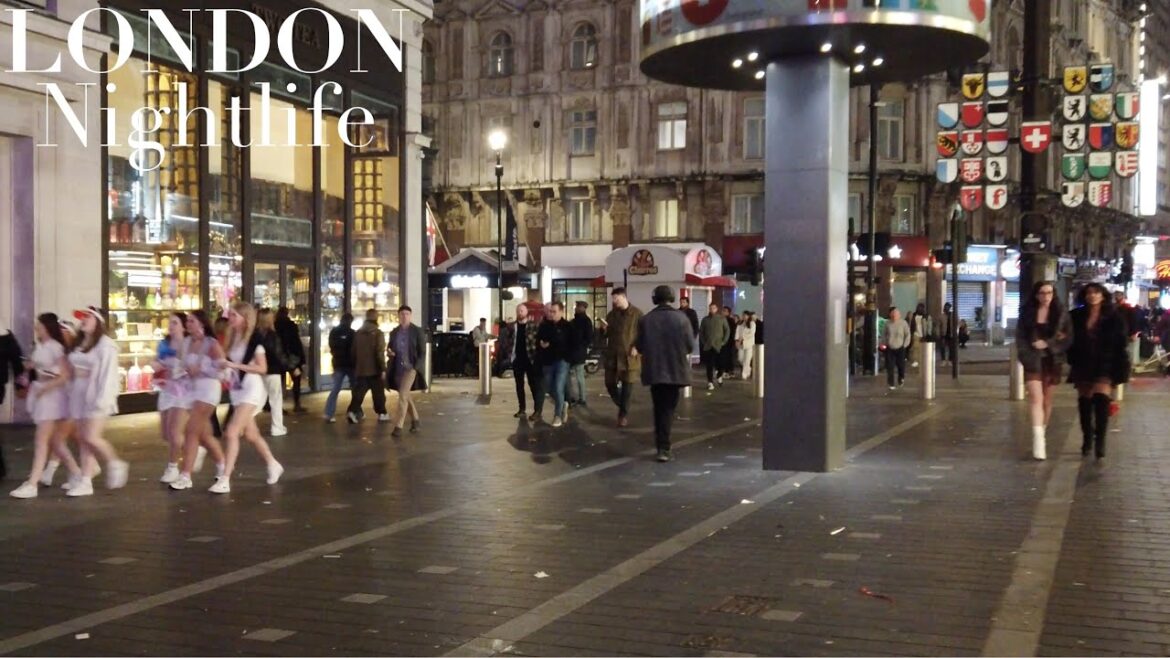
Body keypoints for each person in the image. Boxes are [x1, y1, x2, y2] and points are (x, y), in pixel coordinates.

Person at [8, 314, 83, 498]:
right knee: (55, 442)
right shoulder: (43, 345)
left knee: (42, 440)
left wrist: (45, 387)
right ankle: (76, 473)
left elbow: (64, 375)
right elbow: (38, 364)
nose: (36, 328)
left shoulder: (56, 348)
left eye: (39, 326)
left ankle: (33, 483)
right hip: (44, 393)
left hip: (52, 397)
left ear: (47, 327)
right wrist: (28, 370)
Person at [217, 302, 284, 494]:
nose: (230, 319)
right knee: (251, 434)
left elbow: (262, 368)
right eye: (230, 315)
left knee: (231, 432)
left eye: (234, 316)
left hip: (252, 390)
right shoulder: (233, 338)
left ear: (245, 318)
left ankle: (225, 478)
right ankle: (273, 464)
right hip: (238, 390)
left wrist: (237, 366)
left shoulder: (254, 340)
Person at [65, 306, 129, 497]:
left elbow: (108, 374)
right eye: (82, 317)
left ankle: (114, 462)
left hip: (96, 395)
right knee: (83, 439)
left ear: (98, 321)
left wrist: (103, 397)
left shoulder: (105, 345)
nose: (83, 320)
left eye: (88, 317)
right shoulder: (81, 342)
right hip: (78, 394)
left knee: (90, 437)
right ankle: (86, 480)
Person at [1067, 283, 1129, 461]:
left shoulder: (1114, 317)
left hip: (1106, 363)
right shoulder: (1076, 316)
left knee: (1101, 400)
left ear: (1103, 296)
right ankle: (1087, 437)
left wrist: (1121, 370)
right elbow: (1069, 337)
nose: (1092, 296)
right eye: (1089, 293)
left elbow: (1121, 344)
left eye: (1096, 293)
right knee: (1085, 402)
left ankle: (1100, 440)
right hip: (1083, 362)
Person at [636, 285, 697, 462]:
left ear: (655, 299)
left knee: (659, 407)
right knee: (668, 408)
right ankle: (664, 445)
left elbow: (639, 345)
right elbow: (690, 345)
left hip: (655, 370)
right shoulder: (681, 318)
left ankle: (662, 445)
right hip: (675, 369)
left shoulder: (646, 320)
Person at [169, 310, 226, 491]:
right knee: (204, 434)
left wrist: (202, 370)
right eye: (188, 321)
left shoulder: (211, 344)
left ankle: (186, 475)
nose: (188, 324)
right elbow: (178, 365)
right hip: (192, 390)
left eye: (192, 321)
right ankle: (223, 464)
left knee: (191, 430)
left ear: (201, 323)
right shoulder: (185, 343)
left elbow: (223, 370)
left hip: (208, 389)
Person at [1016, 281, 1073, 461]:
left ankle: (1043, 430)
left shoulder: (1061, 313)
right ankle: (1038, 440)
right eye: (1042, 293)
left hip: (1052, 359)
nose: (1046, 296)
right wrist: (1026, 354)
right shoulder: (1026, 313)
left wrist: (1048, 344)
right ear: (1036, 294)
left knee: (1047, 400)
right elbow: (1020, 337)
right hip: (1032, 359)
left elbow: (1068, 338)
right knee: (1035, 398)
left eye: (1049, 292)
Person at [152, 312, 199, 484]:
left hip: (183, 390)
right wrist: (157, 368)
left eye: (175, 323)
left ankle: (173, 467)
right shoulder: (164, 343)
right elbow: (157, 362)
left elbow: (192, 365)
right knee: (166, 433)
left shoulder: (188, 344)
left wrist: (181, 368)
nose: (171, 326)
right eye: (169, 323)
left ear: (183, 326)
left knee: (174, 432)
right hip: (166, 389)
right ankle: (193, 447)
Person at [603, 288, 642, 428]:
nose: (614, 302)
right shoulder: (612, 315)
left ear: (624, 297)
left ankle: (622, 415)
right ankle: (623, 405)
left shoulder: (637, 314)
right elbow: (605, 335)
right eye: (613, 299)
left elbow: (644, 334)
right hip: (613, 355)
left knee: (627, 387)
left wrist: (637, 346)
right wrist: (603, 330)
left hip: (629, 357)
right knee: (609, 384)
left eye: (616, 299)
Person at [386, 305, 427, 437]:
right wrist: (390, 352)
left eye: (407, 314)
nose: (404, 317)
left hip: (410, 369)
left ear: (410, 316)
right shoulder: (394, 332)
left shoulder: (417, 331)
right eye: (402, 314)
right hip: (398, 368)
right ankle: (416, 421)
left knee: (403, 395)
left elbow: (422, 352)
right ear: (398, 316)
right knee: (406, 395)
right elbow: (390, 348)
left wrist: (416, 367)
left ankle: (399, 426)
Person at [347, 309, 389, 424]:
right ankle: (382, 413)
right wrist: (383, 368)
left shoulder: (358, 333)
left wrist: (356, 365)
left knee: (359, 392)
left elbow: (353, 352)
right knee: (378, 393)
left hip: (361, 369)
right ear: (376, 318)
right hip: (374, 369)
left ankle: (352, 410)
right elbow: (379, 352)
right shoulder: (378, 333)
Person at [536, 301, 574, 427]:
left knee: (558, 387)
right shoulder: (545, 326)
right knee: (548, 387)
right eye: (550, 311)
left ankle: (557, 415)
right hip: (548, 360)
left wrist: (569, 358)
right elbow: (539, 340)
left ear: (561, 312)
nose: (551, 314)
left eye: (554, 311)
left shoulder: (567, 326)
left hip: (562, 360)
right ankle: (562, 403)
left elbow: (571, 343)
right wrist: (542, 345)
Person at [503, 303, 543, 420]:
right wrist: (509, 354)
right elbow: (507, 340)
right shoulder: (512, 327)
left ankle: (537, 410)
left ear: (526, 312)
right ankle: (522, 409)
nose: (520, 313)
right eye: (518, 310)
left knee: (533, 385)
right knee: (519, 386)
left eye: (522, 310)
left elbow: (537, 340)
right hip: (517, 359)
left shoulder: (532, 326)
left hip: (530, 359)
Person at [255, 309, 288, 437]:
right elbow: (278, 354)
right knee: (276, 400)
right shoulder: (273, 335)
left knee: (259, 399)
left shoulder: (255, 334)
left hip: (259, 371)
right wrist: (288, 366)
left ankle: (244, 422)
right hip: (273, 371)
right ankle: (277, 427)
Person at [0, 317, 24, 481]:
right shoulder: (8, 339)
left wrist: (20, 386)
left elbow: (17, 363)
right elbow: (17, 362)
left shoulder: (7, 338)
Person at [324, 312, 356, 423]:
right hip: (350, 364)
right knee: (356, 389)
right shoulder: (352, 333)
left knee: (335, 389)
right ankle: (355, 410)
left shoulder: (334, 332)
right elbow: (354, 349)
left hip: (338, 363)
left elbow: (331, 346)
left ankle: (329, 413)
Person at [274, 307, 306, 413]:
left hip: (279, 359)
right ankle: (297, 404)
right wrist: (301, 359)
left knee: (280, 383)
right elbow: (296, 343)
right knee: (296, 381)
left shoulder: (275, 326)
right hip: (293, 358)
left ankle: (279, 406)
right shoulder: (291, 326)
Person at [567, 301, 594, 407]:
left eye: (578, 306)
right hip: (577, 352)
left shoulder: (582, 321)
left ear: (583, 308)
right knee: (578, 375)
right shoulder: (583, 321)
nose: (576, 308)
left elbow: (588, 337)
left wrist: (582, 346)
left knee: (577, 375)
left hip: (576, 352)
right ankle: (579, 397)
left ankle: (578, 397)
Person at [700, 303, 730, 390]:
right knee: (709, 365)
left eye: (713, 308)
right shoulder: (705, 320)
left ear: (716, 309)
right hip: (708, 345)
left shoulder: (722, 318)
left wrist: (724, 341)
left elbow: (727, 330)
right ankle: (710, 382)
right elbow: (701, 332)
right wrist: (704, 342)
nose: (711, 310)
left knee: (721, 363)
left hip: (719, 345)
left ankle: (719, 375)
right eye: (710, 308)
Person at [881, 306, 911, 390]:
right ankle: (891, 382)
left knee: (900, 365)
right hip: (890, 347)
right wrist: (884, 344)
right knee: (890, 366)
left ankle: (901, 378)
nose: (894, 316)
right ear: (890, 315)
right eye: (892, 315)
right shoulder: (887, 323)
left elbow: (908, 334)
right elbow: (884, 334)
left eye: (896, 315)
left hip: (900, 347)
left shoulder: (903, 323)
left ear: (899, 315)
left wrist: (905, 345)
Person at [736, 312, 758, 379]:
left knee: (747, 359)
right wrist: (737, 340)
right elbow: (737, 332)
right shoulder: (740, 323)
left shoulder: (752, 323)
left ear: (748, 316)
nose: (744, 317)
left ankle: (744, 374)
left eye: (745, 315)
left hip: (749, 344)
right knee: (740, 358)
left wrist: (743, 338)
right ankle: (748, 368)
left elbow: (752, 333)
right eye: (743, 315)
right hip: (741, 344)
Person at [907, 303, 930, 367]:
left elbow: (929, 326)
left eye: (921, 308)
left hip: (923, 334)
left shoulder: (926, 316)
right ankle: (916, 361)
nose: (919, 309)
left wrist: (928, 334)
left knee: (923, 348)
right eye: (918, 307)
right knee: (915, 348)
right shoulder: (914, 315)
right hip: (916, 334)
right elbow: (910, 324)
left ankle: (922, 360)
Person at [719, 306, 738, 379]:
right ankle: (725, 371)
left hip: (729, 341)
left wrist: (731, 340)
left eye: (725, 311)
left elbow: (732, 331)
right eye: (723, 310)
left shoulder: (731, 320)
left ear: (728, 312)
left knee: (729, 357)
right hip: (722, 341)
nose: (723, 312)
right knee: (723, 356)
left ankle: (729, 371)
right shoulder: (720, 319)